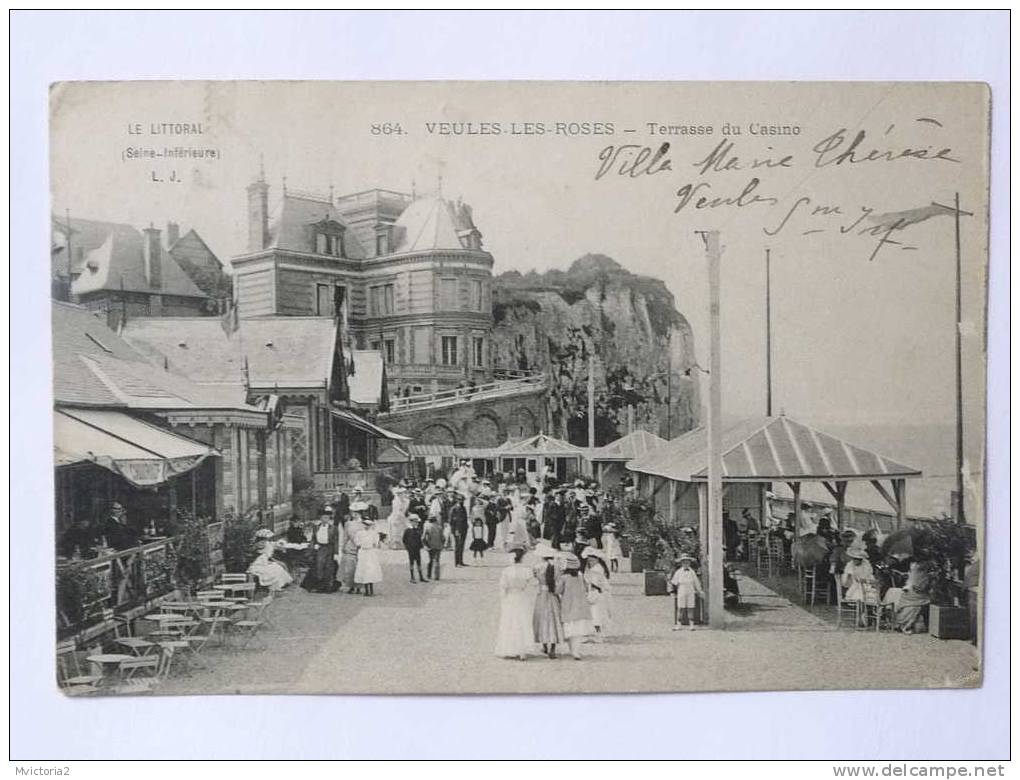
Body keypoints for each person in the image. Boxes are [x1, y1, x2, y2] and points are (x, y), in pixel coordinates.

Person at [495, 542, 535, 661]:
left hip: (511, 597)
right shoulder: (527, 571)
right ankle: (522, 650)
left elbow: (503, 587)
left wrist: (503, 599)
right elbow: (533, 584)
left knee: (510, 621)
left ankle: (509, 648)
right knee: (522, 621)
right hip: (522, 596)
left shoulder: (507, 571)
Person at [532, 544, 565, 658]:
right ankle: (553, 648)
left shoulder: (537, 567)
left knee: (542, 619)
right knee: (554, 619)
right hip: (552, 594)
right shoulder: (556, 567)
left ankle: (544, 645)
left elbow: (534, 581)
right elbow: (559, 581)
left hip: (541, 594)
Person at [559, 553, 594, 659]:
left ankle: (572, 650)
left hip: (568, 604)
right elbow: (586, 588)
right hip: (580, 605)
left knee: (570, 629)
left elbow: (558, 590)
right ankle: (576, 651)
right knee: (578, 631)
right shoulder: (580, 576)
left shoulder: (564, 577)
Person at [302, 513, 340, 593]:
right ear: (320, 518)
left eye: (327, 518)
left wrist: (336, 553)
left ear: (329, 519)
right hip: (320, 549)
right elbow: (313, 538)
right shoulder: (316, 527)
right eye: (323, 517)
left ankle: (327, 587)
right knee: (319, 567)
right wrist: (314, 546)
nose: (325, 520)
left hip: (329, 549)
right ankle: (318, 586)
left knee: (328, 567)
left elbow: (336, 541)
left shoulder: (333, 528)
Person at [895, 561, 933, 633]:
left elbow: (916, 587)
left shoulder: (915, 575)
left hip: (910, 596)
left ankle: (903, 624)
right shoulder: (924, 576)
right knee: (926, 601)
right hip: (916, 597)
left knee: (910, 604)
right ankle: (907, 625)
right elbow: (921, 589)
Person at [583, 547, 612, 640]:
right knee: (597, 613)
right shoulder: (596, 567)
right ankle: (599, 632)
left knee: (596, 614)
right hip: (598, 592)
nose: (589, 561)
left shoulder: (596, 569)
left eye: (591, 559)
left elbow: (596, 583)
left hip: (596, 593)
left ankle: (599, 633)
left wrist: (588, 587)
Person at [670, 555, 703, 630]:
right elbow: (674, 582)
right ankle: (678, 625)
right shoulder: (678, 572)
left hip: (690, 590)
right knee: (680, 607)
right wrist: (673, 592)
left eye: (687, 562)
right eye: (684, 562)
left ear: (690, 563)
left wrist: (700, 591)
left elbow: (696, 582)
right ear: (681, 563)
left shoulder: (692, 572)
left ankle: (691, 625)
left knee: (690, 607)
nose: (686, 564)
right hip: (682, 589)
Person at [337, 505, 365, 594]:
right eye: (353, 512)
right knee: (349, 567)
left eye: (357, 513)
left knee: (359, 566)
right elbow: (345, 536)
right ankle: (350, 585)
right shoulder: (348, 523)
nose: (355, 515)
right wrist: (343, 546)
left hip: (360, 546)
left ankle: (359, 586)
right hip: (350, 546)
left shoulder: (364, 524)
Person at [354, 517, 383, 596]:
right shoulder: (359, 533)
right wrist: (362, 545)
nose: (367, 526)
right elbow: (357, 542)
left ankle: (371, 590)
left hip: (370, 553)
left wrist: (373, 544)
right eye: (365, 525)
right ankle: (366, 590)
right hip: (363, 552)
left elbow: (376, 543)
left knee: (371, 570)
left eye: (368, 525)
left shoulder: (374, 533)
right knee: (364, 570)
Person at [402, 514, 427, 583]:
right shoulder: (407, 530)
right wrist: (407, 547)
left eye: (417, 522)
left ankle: (421, 576)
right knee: (412, 563)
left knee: (419, 563)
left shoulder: (418, 530)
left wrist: (421, 546)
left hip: (417, 549)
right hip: (411, 549)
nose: (417, 523)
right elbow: (404, 540)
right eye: (415, 522)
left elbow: (420, 539)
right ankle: (412, 577)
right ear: (411, 522)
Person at [423, 513, 445, 581]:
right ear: (436, 520)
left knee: (430, 560)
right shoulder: (439, 527)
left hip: (430, 546)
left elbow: (423, 538)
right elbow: (443, 538)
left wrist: (426, 545)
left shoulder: (427, 527)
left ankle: (429, 575)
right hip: (438, 546)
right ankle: (436, 576)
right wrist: (442, 544)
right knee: (437, 561)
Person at [450, 493, 469, 567]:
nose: (461, 501)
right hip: (457, 529)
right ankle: (457, 562)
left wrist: (467, 526)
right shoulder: (454, 509)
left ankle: (461, 561)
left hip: (464, 529)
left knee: (462, 545)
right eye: (459, 500)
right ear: (457, 500)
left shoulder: (463, 508)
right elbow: (451, 521)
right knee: (457, 546)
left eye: (462, 500)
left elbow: (465, 518)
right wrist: (455, 530)